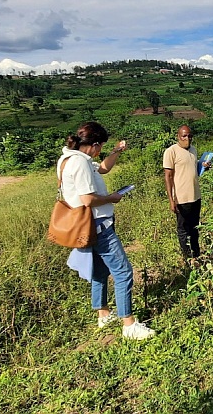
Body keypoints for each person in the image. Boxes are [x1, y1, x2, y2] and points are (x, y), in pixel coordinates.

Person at [57, 121, 155, 340]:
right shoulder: (80, 164)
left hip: (85, 227)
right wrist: (112, 198)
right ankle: (128, 324)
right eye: (101, 147)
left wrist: (116, 152)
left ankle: (103, 314)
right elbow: (88, 199)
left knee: (100, 271)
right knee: (123, 272)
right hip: (99, 227)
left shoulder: (69, 158)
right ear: (94, 144)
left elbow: (103, 168)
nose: (100, 151)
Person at [163, 125, 210, 261]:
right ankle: (187, 258)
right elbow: (168, 176)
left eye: (189, 136)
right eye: (184, 136)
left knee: (195, 227)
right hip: (181, 198)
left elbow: (193, 171)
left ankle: (196, 254)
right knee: (183, 229)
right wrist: (172, 200)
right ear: (178, 136)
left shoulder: (193, 150)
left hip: (195, 196)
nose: (187, 138)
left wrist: (204, 167)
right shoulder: (171, 151)